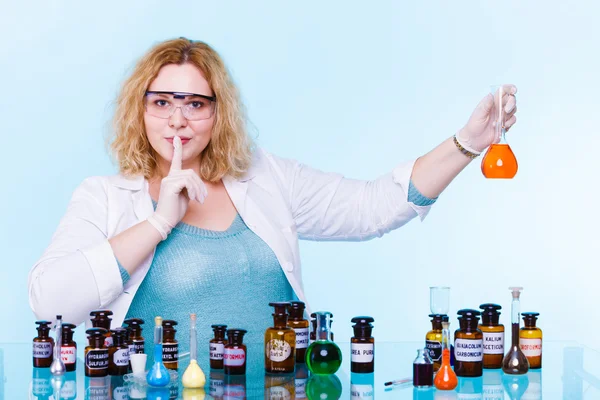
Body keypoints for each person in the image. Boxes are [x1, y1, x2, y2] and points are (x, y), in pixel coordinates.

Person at [28, 38, 517, 350]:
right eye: (161, 103)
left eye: (195, 103)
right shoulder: (105, 197)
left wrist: (467, 143)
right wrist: (157, 224)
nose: (177, 119)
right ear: (140, 111)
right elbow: (50, 301)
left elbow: (372, 207)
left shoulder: (267, 179)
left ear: (220, 114)